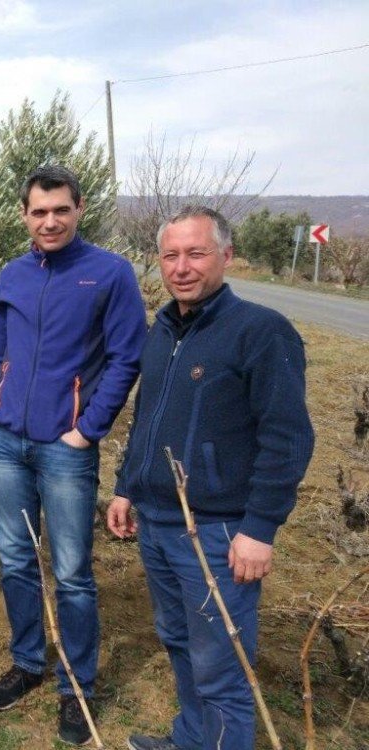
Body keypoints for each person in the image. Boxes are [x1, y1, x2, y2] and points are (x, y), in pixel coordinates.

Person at [107, 206, 314, 750]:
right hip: (156, 523)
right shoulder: (161, 330)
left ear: (226, 256)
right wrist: (127, 486)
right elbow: (146, 415)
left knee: (222, 667)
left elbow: (288, 437)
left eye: (196, 253)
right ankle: (190, 740)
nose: (181, 267)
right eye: (171, 255)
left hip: (219, 534)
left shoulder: (261, 332)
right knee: (179, 642)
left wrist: (260, 528)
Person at [0, 165, 147, 743]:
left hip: (66, 448)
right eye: (39, 212)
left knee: (71, 572)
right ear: (24, 214)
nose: (50, 221)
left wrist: (87, 429)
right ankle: (27, 662)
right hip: (6, 441)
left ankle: (77, 685)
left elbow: (126, 358)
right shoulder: (13, 273)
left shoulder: (109, 273)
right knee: (16, 559)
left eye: (60, 210)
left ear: (79, 208)